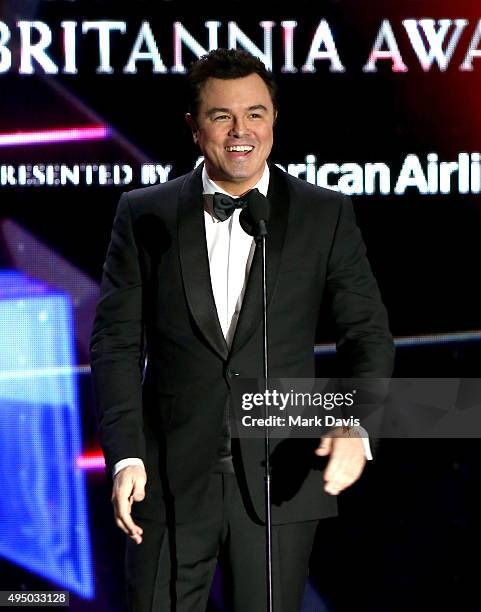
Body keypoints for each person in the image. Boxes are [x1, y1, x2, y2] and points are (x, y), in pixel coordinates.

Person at [89, 48, 394, 612]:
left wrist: (357, 423)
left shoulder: (323, 212)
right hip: (166, 479)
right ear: (193, 126)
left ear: (274, 119)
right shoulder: (144, 213)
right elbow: (116, 343)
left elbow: (367, 334)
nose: (240, 131)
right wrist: (126, 455)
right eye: (221, 116)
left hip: (286, 470)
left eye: (255, 114)